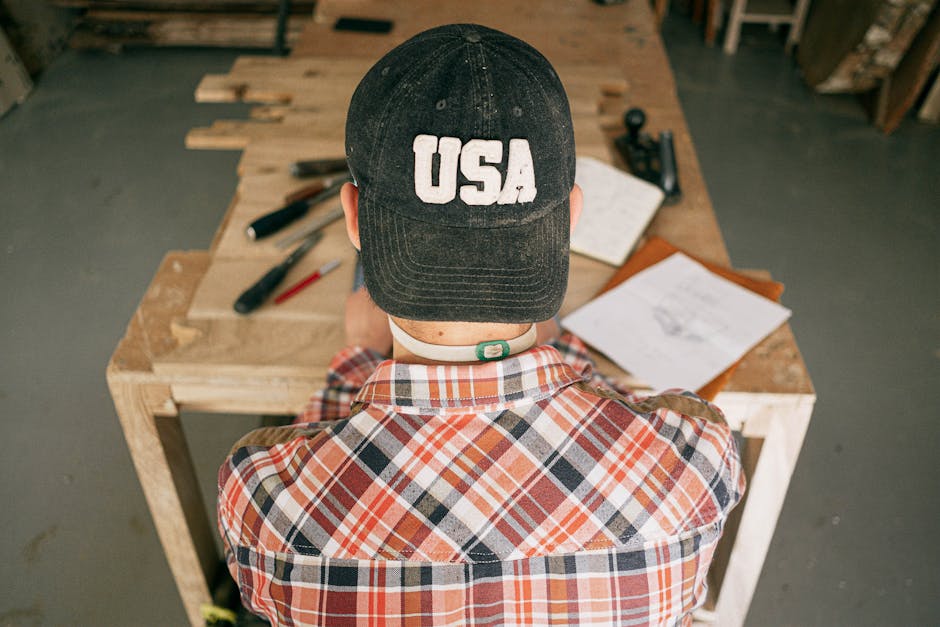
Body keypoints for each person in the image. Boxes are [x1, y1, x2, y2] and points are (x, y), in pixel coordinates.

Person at [218, 23, 744, 626]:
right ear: (571, 217)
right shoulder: (691, 463)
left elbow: (332, 465)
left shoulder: (268, 507)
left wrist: (356, 361)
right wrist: (556, 353)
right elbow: (606, 424)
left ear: (355, 219)